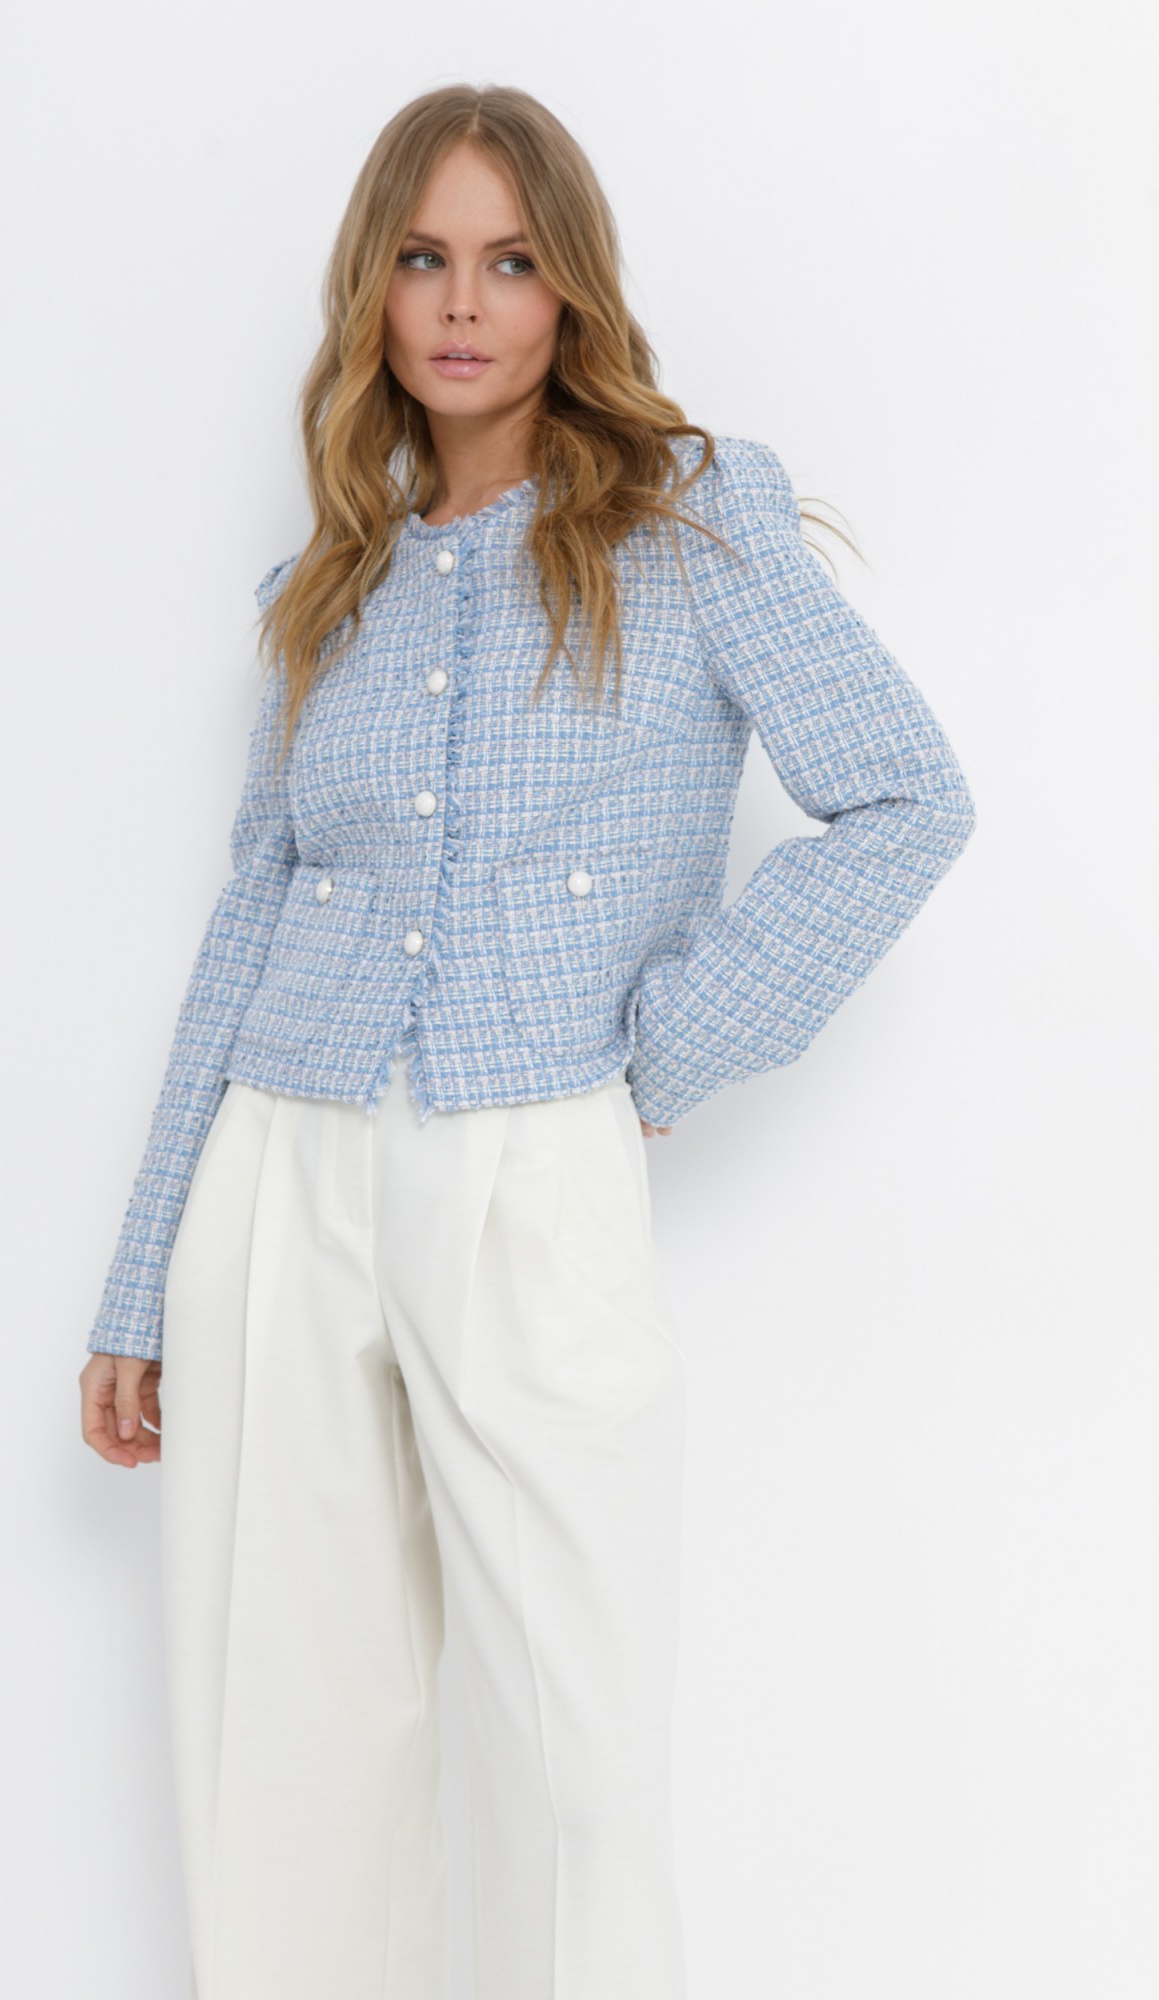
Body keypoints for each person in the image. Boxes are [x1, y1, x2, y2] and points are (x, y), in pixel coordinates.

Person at [78, 82, 975, 2000]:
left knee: (575, 1753)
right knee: (283, 1730)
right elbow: (250, 917)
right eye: (422, 259)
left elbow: (905, 800)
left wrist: (663, 1053)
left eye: (508, 260)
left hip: (532, 1166)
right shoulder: (328, 586)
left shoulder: (689, 525)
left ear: (570, 289)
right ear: (372, 291)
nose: (463, 303)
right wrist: (144, 1273)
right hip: (282, 1168)